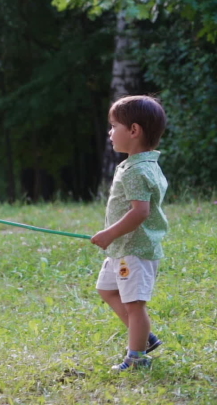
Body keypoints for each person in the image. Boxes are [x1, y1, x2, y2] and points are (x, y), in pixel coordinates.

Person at [91, 95, 168, 372]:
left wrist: (109, 233)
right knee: (107, 289)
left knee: (135, 304)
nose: (110, 132)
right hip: (123, 249)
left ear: (133, 131)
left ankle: (137, 357)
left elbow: (140, 212)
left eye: (114, 126)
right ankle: (144, 337)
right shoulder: (142, 164)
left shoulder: (136, 170)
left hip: (133, 250)